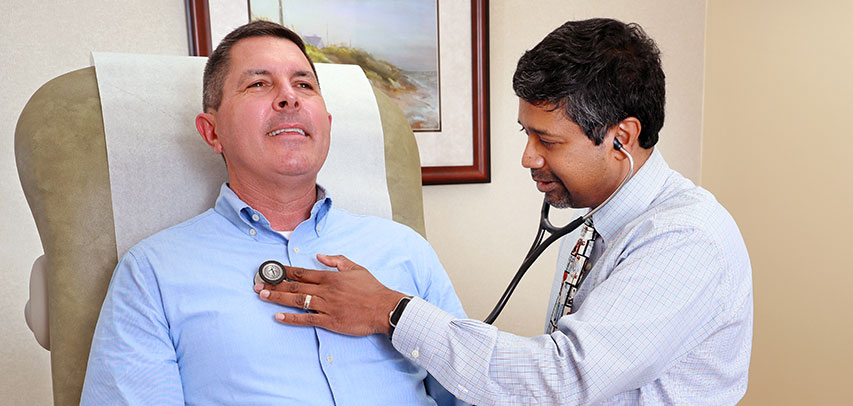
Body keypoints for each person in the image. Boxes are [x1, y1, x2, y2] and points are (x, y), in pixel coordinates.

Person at [256, 18, 753, 405]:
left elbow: (563, 378)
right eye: (526, 133)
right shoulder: (595, 219)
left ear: (620, 138)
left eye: (548, 140)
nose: (528, 158)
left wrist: (390, 310)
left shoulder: (687, 240)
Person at [81, 20, 467, 406]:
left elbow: (474, 391)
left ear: (326, 125)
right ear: (211, 132)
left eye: (304, 84)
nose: (290, 99)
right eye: (258, 84)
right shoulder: (151, 274)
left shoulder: (407, 251)